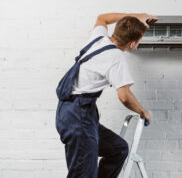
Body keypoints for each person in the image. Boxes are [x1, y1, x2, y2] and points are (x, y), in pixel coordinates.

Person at [55, 13, 157, 178]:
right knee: (83, 174)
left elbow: (102, 18)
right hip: (78, 118)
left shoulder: (98, 39)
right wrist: (142, 111)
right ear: (132, 44)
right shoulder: (116, 58)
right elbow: (124, 96)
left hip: (75, 112)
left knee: (118, 149)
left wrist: (135, 16)